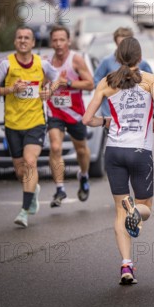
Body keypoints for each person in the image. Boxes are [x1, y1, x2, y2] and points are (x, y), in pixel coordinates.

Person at [82, 37, 154, 285]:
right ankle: (135, 212)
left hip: (115, 151)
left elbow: (87, 119)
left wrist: (106, 122)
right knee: (145, 209)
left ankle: (126, 267)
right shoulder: (150, 80)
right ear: (140, 58)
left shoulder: (107, 82)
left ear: (118, 58)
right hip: (140, 151)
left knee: (119, 211)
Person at [0, 27, 60, 228]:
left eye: (27, 38)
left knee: (30, 162)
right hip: (12, 124)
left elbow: (57, 79)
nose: (22, 40)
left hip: (36, 122)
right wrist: (10, 89)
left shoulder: (42, 63)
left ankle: (24, 211)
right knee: (21, 172)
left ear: (33, 43)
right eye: (19, 37)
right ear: (14, 42)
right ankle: (33, 192)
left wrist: (49, 91)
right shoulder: (6, 64)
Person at [45, 25, 95, 208]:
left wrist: (69, 82)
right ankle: (60, 189)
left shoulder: (77, 60)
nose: (58, 44)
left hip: (74, 111)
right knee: (55, 146)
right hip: (55, 111)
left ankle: (83, 175)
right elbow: (41, 85)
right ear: (51, 42)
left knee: (81, 150)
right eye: (55, 40)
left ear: (68, 41)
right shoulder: (47, 62)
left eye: (62, 40)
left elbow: (90, 84)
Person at [93, 27, 153, 117]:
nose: (123, 48)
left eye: (126, 44)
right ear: (116, 43)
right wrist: (111, 88)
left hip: (134, 117)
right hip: (111, 116)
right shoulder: (107, 61)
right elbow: (96, 81)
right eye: (120, 44)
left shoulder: (142, 63)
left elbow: (151, 85)